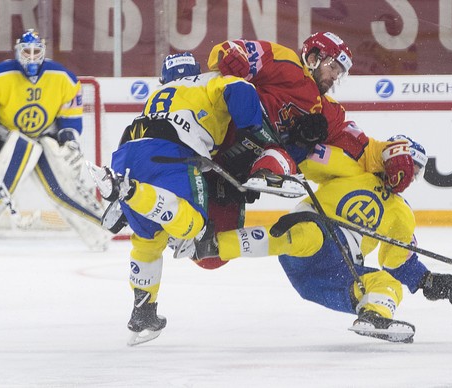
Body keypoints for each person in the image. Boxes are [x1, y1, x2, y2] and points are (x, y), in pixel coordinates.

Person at [90, 52, 306, 346]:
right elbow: (240, 89)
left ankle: (143, 310)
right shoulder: (209, 80)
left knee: (147, 239)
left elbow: (135, 135)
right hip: (172, 155)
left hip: (126, 155)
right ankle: (130, 191)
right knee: (194, 226)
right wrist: (255, 131)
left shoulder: (158, 94)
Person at [194, 135, 452, 343]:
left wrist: (429, 281)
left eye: (416, 172)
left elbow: (396, 261)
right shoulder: (353, 170)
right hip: (310, 243)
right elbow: (305, 162)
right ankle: (214, 245)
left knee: (387, 283)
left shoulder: (402, 214)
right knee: (306, 234)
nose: (411, 175)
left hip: (337, 275)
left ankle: (374, 317)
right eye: (413, 167)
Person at [0, 29, 110, 252]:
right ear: (18, 52)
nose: (32, 56)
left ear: (44, 52)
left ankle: (100, 233)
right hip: (10, 139)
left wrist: (69, 142)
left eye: (37, 51)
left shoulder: (62, 77)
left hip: (46, 137)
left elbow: (70, 120)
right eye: (27, 51)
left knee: (62, 187)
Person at [208, 32, 416, 194]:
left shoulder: (330, 111)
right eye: (332, 66)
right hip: (215, 135)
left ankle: (266, 173)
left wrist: (391, 154)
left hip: (235, 169)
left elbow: (361, 147)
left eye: (339, 72)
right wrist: (230, 56)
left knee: (215, 239)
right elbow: (231, 49)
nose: (335, 76)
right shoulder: (285, 61)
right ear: (313, 57)